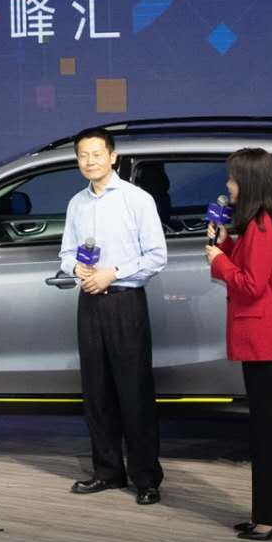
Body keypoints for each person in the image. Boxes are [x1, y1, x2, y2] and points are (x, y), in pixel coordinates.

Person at [58, 127, 168, 505]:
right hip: (89, 303)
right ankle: (107, 471)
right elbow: (66, 253)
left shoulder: (137, 200)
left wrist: (113, 274)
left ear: (112, 157)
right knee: (97, 392)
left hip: (125, 303)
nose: (89, 161)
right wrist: (77, 269)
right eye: (83, 155)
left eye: (96, 154)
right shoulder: (76, 204)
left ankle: (146, 478)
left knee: (134, 392)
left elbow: (156, 256)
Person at [205, 148, 272, 541]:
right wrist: (226, 245)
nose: (229, 186)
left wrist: (217, 260)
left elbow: (249, 284)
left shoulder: (262, 226)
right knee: (265, 431)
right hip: (266, 341)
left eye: (233, 178)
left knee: (267, 433)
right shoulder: (262, 223)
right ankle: (271, 513)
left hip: (263, 342)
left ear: (249, 182)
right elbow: (251, 267)